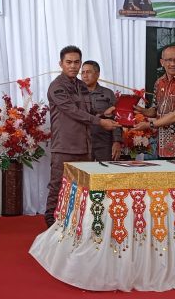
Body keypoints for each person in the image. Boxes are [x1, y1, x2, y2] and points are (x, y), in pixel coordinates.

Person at [46, 46, 118, 227]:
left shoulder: (81, 86)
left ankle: (75, 223)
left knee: (81, 188)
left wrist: (104, 114)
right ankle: (51, 223)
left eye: (76, 62)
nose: (73, 66)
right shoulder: (57, 86)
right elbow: (73, 111)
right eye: (68, 62)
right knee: (58, 186)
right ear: (60, 64)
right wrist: (100, 121)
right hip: (64, 146)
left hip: (85, 146)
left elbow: (88, 110)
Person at [133, 46, 175, 159]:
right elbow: (155, 110)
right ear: (162, 62)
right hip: (163, 147)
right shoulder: (159, 82)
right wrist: (141, 111)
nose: (173, 63)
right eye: (168, 60)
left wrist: (150, 125)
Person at [80, 60, 122, 161]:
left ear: (97, 74)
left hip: (103, 142)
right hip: (82, 143)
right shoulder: (76, 94)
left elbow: (117, 119)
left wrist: (117, 142)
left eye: (88, 72)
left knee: (105, 174)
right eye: (83, 72)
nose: (85, 75)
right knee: (83, 174)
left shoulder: (108, 94)